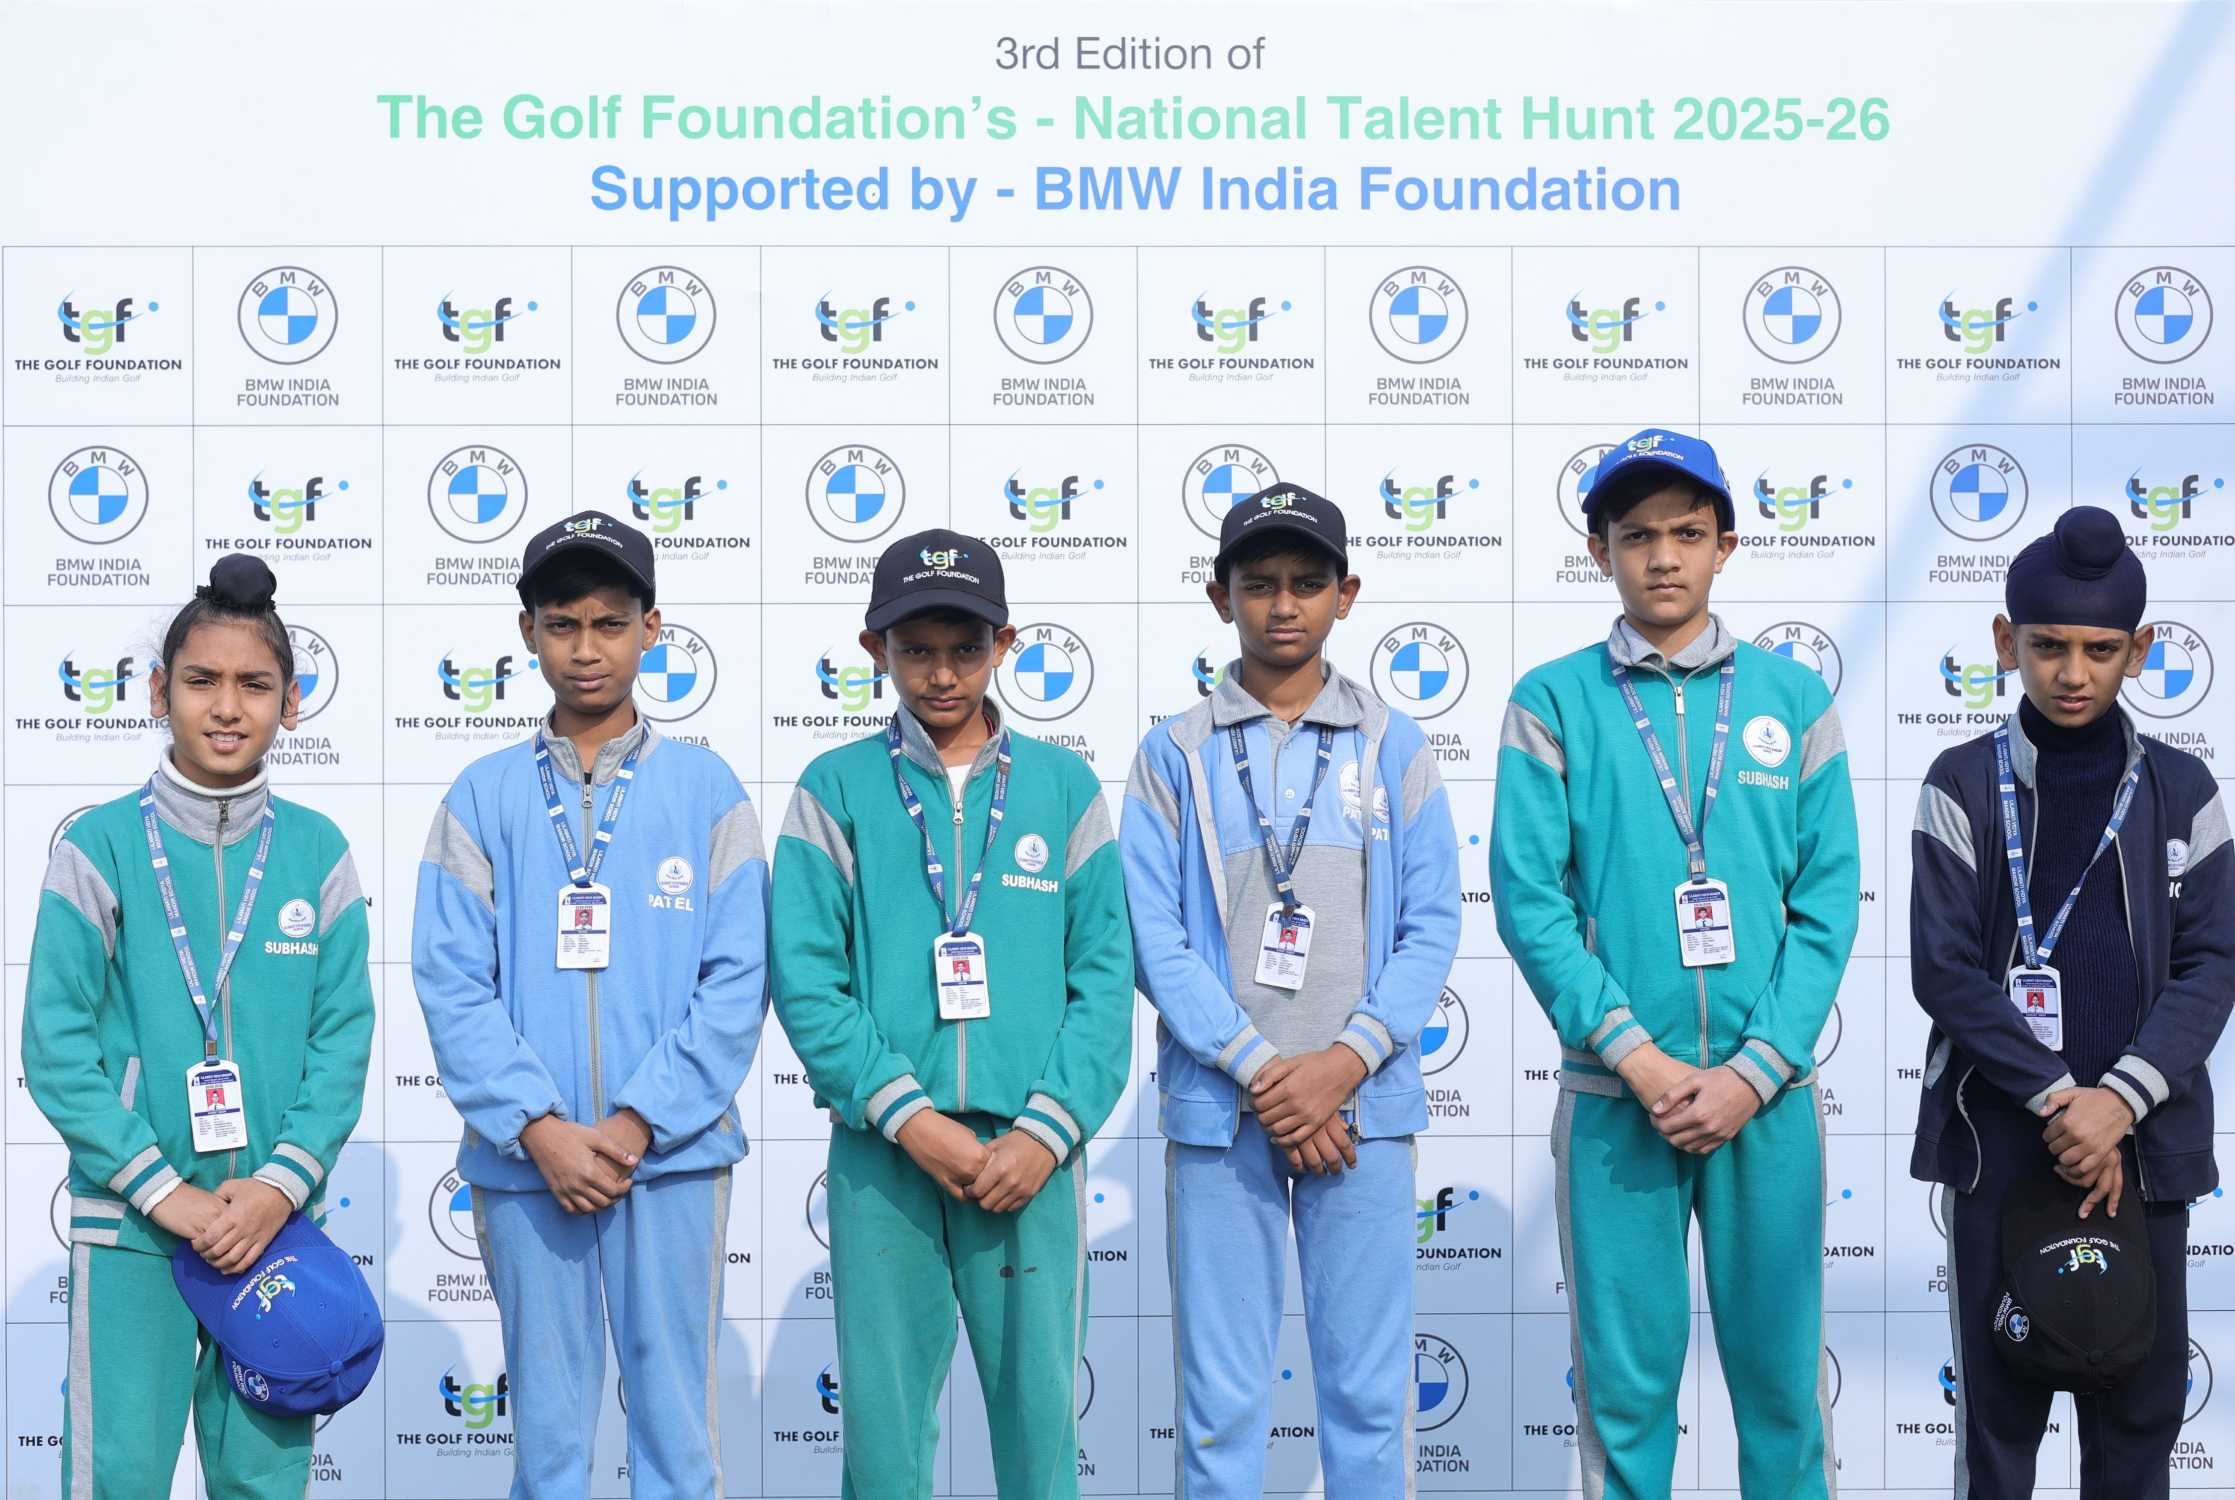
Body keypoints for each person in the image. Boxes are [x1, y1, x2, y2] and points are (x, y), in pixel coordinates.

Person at [1493, 429, 1859, 1500]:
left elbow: (1827, 905)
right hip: (1619, 1102)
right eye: (1636, 535)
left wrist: (1755, 1069)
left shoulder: (1795, 700)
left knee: (1783, 1395)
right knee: (1626, 1400)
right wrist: (1639, 1059)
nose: (1662, 557)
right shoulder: (1552, 700)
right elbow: (1528, 901)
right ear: (1598, 550)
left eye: (1687, 534)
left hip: (1767, 1102)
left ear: (1725, 545)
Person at [770, 529, 1133, 1500]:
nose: (941, 673)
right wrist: (908, 1117)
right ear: (874, 649)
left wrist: (1047, 1132)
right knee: (883, 1442)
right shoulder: (834, 789)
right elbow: (807, 981)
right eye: (916, 649)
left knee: (1041, 1433)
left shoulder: (1063, 788)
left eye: (966, 648)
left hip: (1030, 1157)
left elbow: (1104, 983)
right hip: (887, 1153)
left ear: (1004, 644)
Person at [413, 510, 769, 1498]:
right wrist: (538, 1127)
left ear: (652, 629)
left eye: (610, 623)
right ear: (526, 632)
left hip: (671, 1158)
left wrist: (638, 1120)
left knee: (677, 1436)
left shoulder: (706, 790)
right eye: (562, 624)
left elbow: (738, 980)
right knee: (550, 1443)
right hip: (529, 1166)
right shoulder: (481, 795)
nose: (585, 648)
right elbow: (451, 980)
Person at [1121, 483, 1460, 1497]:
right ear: (1219, 595)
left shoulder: (1394, 744)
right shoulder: (1174, 752)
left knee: (1368, 1400)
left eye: (1307, 584)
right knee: (1221, 1405)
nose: (1283, 604)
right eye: (1259, 583)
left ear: (1345, 596)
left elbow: (1432, 925)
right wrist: (1270, 1076)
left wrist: (1342, 1066)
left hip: (1365, 1111)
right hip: (1223, 1111)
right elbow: (1153, 937)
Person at [25, 554, 374, 1498]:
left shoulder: (319, 854)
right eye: (201, 681)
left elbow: (342, 1044)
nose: (226, 707)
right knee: (117, 1478)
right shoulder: (96, 847)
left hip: (272, 1233)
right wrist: (164, 1191)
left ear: (291, 703)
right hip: (134, 1227)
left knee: (263, 1482)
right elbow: (55, 1049)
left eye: (254, 684)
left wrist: (275, 1187)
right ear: (157, 693)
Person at [1909, 506, 2233, 1498]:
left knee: (2136, 1427)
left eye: (2099, 650)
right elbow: (1944, 970)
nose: (2072, 673)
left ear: (2139, 650)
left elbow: (2212, 964)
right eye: (2047, 647)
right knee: (1999, 1430)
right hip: (2002, 1146)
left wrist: (2117, 1103)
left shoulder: (2184, 788)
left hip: (2143, 1151)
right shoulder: (1960, 782)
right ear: (2005, 642)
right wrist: (2063, 1101)